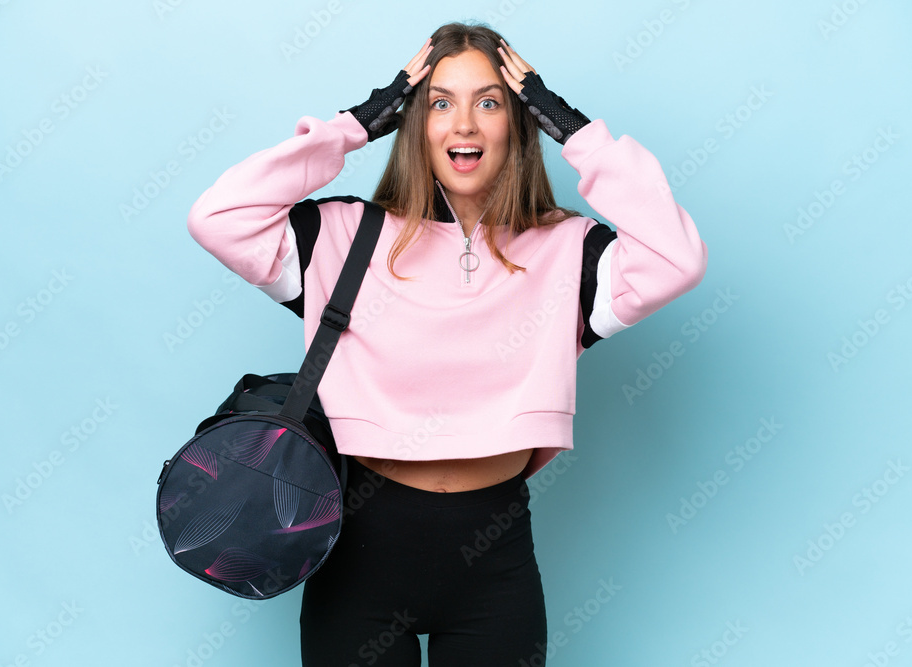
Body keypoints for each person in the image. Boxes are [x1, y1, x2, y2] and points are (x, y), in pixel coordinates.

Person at [186, 21, 706, 667]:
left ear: (519, 123)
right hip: (356, 559)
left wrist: (577, 133)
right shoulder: (344, 235)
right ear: (414, 123)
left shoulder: (567, 249)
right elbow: (217, 216)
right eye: (439, 102)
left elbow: (676, 257)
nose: (464, 123)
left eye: (489, 102)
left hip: (496, 563)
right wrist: (356, 123)